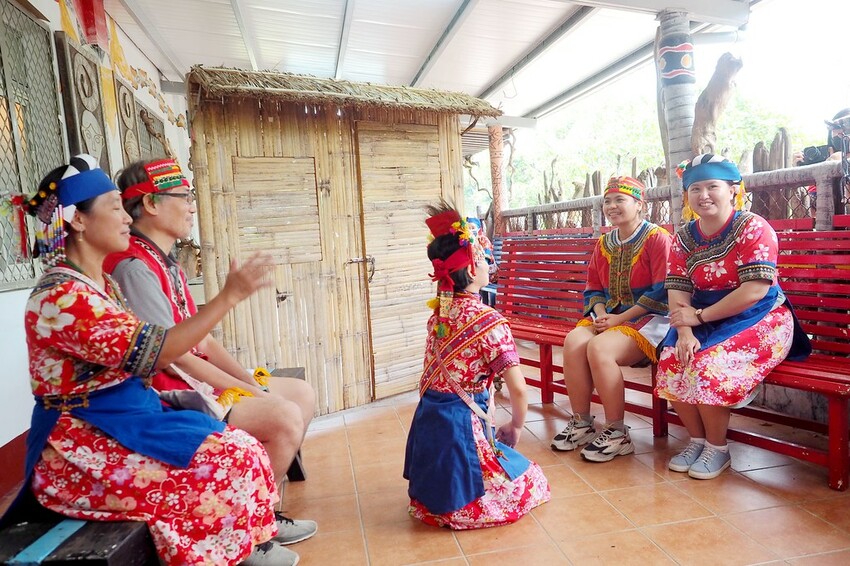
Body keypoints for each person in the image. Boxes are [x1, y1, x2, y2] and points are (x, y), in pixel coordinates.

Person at [10, 154, 296, 565]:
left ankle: (237, 545)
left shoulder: (100, 283)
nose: (125, 217)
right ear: (78, 221)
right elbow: (159, 350)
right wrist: (228, 296)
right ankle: (226, 549)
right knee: (227, 459)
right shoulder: (62, 296)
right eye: (113, 207)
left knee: (240, 448)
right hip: (80, 445)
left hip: (124, 420)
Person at [103, 158, 317, 549]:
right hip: (170, 394)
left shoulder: (167, 265)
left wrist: (251, 384)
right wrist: (249, 391)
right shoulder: (134, 268)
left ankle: (257, 509)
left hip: (195, 378)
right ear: (150, 204)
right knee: (284, 417)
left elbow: (204, 343)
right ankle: (246, 529)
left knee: (299, 393)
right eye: (183, 197)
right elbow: (170, 356)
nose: (191, 206)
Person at [655, 154, 811, 480]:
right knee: (671, 357)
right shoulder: (682, 237)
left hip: (759, 316)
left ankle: (718, 448)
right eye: (695, 188)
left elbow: (754, 290)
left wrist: (699, 317)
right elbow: (677, 289)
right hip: (700, 317)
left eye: (713, 186)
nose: (704, 195)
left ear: (732, 189)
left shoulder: (753, 228)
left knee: (708, 361)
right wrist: (684, 330)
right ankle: (696, 440)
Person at [403, 203, 550, 529]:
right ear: (471, 271)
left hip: (431, 419)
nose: (490, 264)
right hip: (462, 426)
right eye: (483, 259)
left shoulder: (439, 313)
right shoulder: (489, 320)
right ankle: (466, 503)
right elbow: (518, 388)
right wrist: (515, 426)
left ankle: (436, 500)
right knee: (533, 480)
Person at [550, 176, 672, 462]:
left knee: (599, 348)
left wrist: (620, 320)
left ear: (639, 204)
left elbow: (663, 291)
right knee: (574, 341)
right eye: (608, 200)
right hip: (611, 319)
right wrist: (603, 314)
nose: (612, 206)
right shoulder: (605, 242)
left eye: (620, 200)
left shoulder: (657, 238)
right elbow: (593, 288)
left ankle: (617, 431)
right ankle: (581, 422)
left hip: (650, 318)